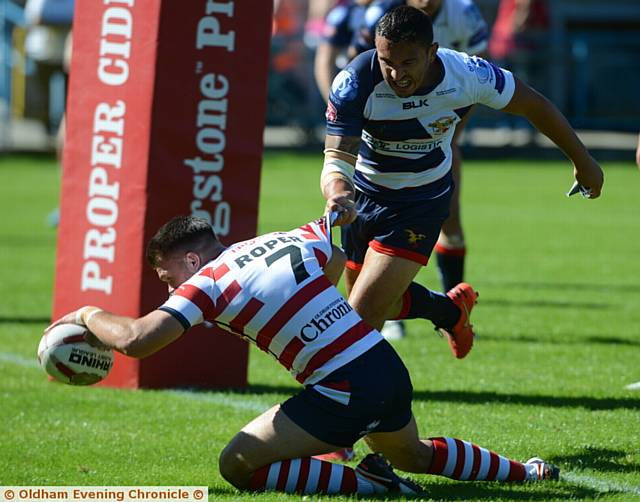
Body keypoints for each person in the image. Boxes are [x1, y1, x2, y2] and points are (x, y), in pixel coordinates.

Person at [48, 214, 560, 495]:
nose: (170, 290)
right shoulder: (279, 239)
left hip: (343, 388)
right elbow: (334, 256)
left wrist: (87, 313)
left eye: (167, 279)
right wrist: (309, 321)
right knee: (414, 454)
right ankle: (528, 472)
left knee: (237, 466)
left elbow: (138, 339)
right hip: (382, 366)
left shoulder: (207, 282)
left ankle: (373, 486)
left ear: (191, 258)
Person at [320, 6, 603, 355]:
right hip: (363, 198)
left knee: (359, 319)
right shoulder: (355, 81)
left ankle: (361, 403)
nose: (396, 74)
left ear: (432, 52)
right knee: (377, 305)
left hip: (420, 202)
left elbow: (534, 105)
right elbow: (336, 157)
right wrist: (339, 192)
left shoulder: (467, 73)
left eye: (408, 63)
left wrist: (583, 160)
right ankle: (449, 311)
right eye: (387, 62)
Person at [348, 0, 491, 340]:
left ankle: (450, 298)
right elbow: (353, 67)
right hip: (375, 159)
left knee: (451, 221)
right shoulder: (380, 16)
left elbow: (484, 74)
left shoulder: (464, 14)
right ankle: (448, 310)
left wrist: (449, 125)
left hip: (434, 146)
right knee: (356, 301)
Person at [314, 0, 373, 103]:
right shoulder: (343, 13)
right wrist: (333, 103)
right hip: (358, 91)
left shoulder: (393, 6)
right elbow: (325, 62)